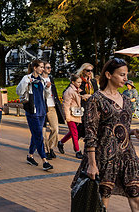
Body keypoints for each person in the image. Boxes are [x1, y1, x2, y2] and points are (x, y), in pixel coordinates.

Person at [72, 58, 139, 210]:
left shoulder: (126, 100)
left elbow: (117, 128)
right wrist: (92, 164)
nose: (126, 79)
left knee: (136, 197)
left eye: (126, 74)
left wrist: (133, 131)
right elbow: (91, 135)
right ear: (108, 75)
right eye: (122, 75)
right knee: (102, 202)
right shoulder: (96, 100)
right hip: (104, 158)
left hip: (127, 157)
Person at [16, 59, 54, 171]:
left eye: (43, 67)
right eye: (41, 67)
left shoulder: (42, 79)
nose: (43, 69)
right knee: (39, 135)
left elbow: (46, 95)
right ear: (35, 67)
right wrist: (27, 83)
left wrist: (47, 87)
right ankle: (44, 160)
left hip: (42, 110)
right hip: (32, 111)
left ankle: (30, 156)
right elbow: (19, 91)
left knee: (35, 134)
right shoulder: (26, 78)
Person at [41, 62, 65, 160]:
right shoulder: (38, 79)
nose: (49, 69)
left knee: (55, 129)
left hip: (52, 107)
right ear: (42, 68)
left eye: (50, 67)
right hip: (42, 107)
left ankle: (50, 147)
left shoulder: (51, 79)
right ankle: (46, 151)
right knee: (42, 132)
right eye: (47, 67)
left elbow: (54, 93)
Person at [58, 74, 84, 159]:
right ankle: (77, 151)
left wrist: (83, 96)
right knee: (75, 133)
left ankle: (61, 143)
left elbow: (76, 99)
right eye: (78, 82)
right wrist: (67, 117)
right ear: (73, 82)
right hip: (70, 115)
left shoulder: (76, 90)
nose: (80, 83)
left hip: (76, 115)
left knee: (72, 133)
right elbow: (66, 105)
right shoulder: (69, 91)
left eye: (81, 82)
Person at [77, 63, 99, 136]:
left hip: (91, 106)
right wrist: (81, 96)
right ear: (83, 71)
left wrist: (90, 96)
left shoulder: (93, 81)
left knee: (90, 128)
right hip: (81, 106)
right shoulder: (78, 81)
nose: (90, 72)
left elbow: (96, 93)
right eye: (88, 70)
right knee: (80, 128)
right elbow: (71, 91)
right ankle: (65, 142)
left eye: (91, 70)